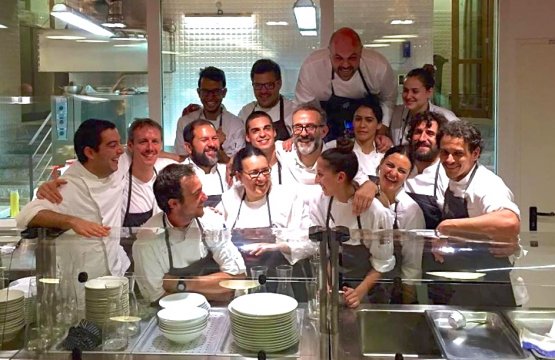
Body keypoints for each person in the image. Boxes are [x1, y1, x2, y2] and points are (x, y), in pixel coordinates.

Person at [16, 119, 130, 276]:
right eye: (112, 145)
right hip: (80, 280)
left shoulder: (117, 166)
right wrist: (72, 221)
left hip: (115, 271)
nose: (120, 151)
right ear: (89, 152)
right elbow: (25, 216)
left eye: (119, 144)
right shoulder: (67, 184)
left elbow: (144, 150)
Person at [429, 120, 521, 306]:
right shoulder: (455, 179)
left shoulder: (486, 184)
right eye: (444, 152)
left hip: (491, 290)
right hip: (466, 285)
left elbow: (509, 222)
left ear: (475, 154)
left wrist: (447, 227)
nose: (449, 160)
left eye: (458, 154)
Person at [133, 164, 246, 303]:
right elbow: (155, 298)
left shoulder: (211, 221)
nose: (205, 197)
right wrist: (215, 289)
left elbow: (238, 279)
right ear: (174, 204)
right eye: (196, 194)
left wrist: (180, 283)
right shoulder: (148, 241)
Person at [309, 148, 394, 308]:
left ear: (340, 177)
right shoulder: (320, 202)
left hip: (370, 291)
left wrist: (359, 292)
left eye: (320, 174)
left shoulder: (375, 211)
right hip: (336, 283)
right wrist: (329, 285)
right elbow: (323, 252)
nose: (316, 180)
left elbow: (383, 262)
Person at [295, 27, 396, 142]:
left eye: (352, 58)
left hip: (369, 136)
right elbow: (303, 107)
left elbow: (388, 99)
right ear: (329, 53)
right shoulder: (312, 68)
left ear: (361, 52)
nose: (346, 65)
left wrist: (383, 128)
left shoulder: (379, 67)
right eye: (338, 58)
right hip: (329, 134)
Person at [276, 103, 378, 214]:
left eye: (310, 127)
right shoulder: (282, 152)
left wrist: (371, 187)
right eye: (298, 127)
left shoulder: (339, 159)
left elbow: (365, 184)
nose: (304, 133)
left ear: (324, 131)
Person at [216, 145, 312, 261]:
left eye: (265, 171)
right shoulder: (230, 199)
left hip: (278, 271)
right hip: (240, 272)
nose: (262, 178)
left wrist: (275, 247)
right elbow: (213, 235)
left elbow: (309, 243)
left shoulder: (289, 198)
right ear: (239, 176)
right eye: (254, 173)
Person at [375, 145, 426, 303]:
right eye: (390, 165)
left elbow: (412, 265)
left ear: (408, 176)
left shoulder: (411, 210)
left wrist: (407, 307)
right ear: (381, 164)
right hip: (358, 284)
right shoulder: (363, 197)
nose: (393, 173)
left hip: (393, 289)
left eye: (402, 171)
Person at [174, 66, 245, 161]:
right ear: (199, 92)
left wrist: (216, 148)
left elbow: (237, 166)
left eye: (215, 92)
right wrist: (215, 143)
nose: (210, 97)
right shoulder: (185, 122)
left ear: (224, 93)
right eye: (205, 92)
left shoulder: (236, 124)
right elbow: (181, 160)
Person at [390, 67, 459, 145]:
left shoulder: (447, 118)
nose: (408, 96)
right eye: (405, 90)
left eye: (415, 91)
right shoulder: (395, 113)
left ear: (429, 92)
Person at [404, 111, 449, 229]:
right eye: (418, 132)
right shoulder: (401, 165)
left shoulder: (446, 175)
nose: (422, 138)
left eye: (430, 133)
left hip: (431, 245)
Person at [326, 98, 385, 181]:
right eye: (358, 119)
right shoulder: (335, 147)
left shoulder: (386, 154)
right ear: (352, 122)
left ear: (379, 124)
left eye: (369, 120)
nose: (362, 125)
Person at [237, 59, 294, 140]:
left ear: (279, 84)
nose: (263, 91)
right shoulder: (245, 112)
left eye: (269, 85)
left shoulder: (292, 110)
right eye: (258, 85)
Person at [181, 119, 230, 207]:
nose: (212, 144)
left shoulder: (228, 172)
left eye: (214, 138)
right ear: (188, 147)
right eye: (204, 140)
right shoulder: (178, 176)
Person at [244, 111, 283, 185]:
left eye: (267, 128)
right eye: (255, 131)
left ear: (274, 132)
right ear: (248, 137)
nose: (262, 134)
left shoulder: (289, 154)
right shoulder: (243, 168)